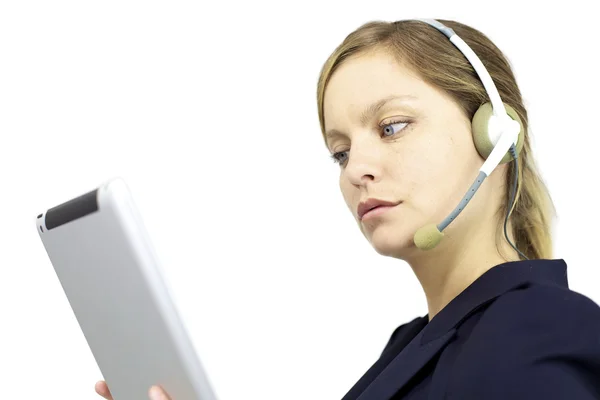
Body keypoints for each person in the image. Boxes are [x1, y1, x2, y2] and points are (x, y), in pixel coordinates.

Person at [316, 18, 600, 399]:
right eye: (341, 153)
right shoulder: (408, 347)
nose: (355, 169)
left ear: (495, 133)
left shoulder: (538, 325)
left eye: (391, 127)